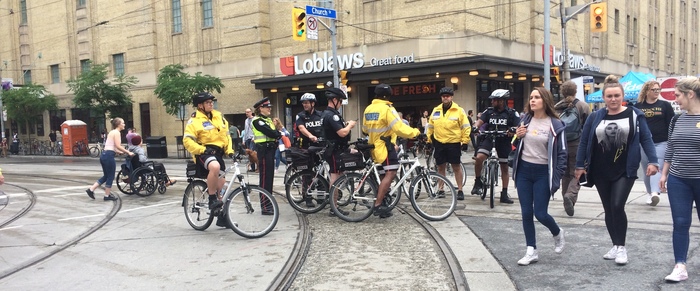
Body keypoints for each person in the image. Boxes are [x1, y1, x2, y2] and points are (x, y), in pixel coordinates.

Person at [575, 75, 658, 266]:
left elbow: (646, 138)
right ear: (604, 97)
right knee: (608, 208)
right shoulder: (595, 117)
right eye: (609, 96)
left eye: (616, 96)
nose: (613, 99)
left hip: (625, 169)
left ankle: (621, 247)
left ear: (623, 96)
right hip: (600, 169)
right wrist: (580, 165)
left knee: (617, 205)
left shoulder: (635, 115)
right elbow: (585, 142)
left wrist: (653, 161)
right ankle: (615, 244)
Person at [510, 87, 567, 266]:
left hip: (543, 172)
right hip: (524, 171)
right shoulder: (525, 119)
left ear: (545, 101)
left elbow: (562, 154)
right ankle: (531, 250)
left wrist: (556, 177)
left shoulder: (556, 124)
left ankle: (557, 233)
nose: (532, 100)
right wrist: (517, 137)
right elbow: (515, 145)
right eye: (531, 97)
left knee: (540, 213)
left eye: (537, 97)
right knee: (526, 212)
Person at [658, 76, 700, 282]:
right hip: (678, 179)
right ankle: (680, 266)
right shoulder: (676, 119)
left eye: (677, 95)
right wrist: (664, 173)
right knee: (680, 223)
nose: (675, 100)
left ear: (690, 94)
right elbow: (671, 148)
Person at [363, 84, 420, 218]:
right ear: (388, 96)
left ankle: (383, 205)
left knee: (383, 175)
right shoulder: (387, 109)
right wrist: (415, 132)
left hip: (374, 147)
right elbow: (399, 127)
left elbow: (365, 129)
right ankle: (377, 205)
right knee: (392, 173)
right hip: (385, 147)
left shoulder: (368, 109)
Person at [183, 92, 235, 227]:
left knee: (222, 187)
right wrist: (202, 150)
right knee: (215, 167)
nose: (211, 104)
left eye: (212, 102)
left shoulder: (219, 117)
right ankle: (211, 198)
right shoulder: (194, 121)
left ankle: (222, 217)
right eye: (207, 102)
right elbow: (187, 140)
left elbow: (227, 136)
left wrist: (229, 151)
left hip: (218, 153)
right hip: (204, 152)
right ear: (200, 106)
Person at [471, 89, 520, 204]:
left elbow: (518, 125)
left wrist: (513, 129)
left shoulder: (512, 113)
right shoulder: (488, 111)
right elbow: (480, 121)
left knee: (504, 167)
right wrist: (475, 127)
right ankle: (478, 182)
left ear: (502, 101)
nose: (492, 102)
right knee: (479, 158)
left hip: (504, 140)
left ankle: (504, 193)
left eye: (495, 100)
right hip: (490, 138)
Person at [426, 87, 471, 200]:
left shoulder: (459, 110)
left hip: (453, 143)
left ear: (451, 97)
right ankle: (441, 189)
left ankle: (460, 190)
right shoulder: (436, 110)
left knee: (456, 166)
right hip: (439, 142)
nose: (445, 97)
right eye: (443, 96)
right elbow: (430, 126)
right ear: (441, 97)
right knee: (440, 167)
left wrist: (465, 141)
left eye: (447, 96)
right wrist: (428, 140)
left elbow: (465, 126)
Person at [554, 80, 591, 216]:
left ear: (562, 92)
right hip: (578, 144)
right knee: (578, 171)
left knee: (565, 173)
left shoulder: (557, 106)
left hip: (561, 144)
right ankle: (570, 195)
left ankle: (566, 197)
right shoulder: (583, 106)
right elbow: (588, 127)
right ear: (575, 91)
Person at [635, 80, 674, 207]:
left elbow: (671, 123)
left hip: (661, 141)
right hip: (644, 143)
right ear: (647, 91)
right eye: (654, 90)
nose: (657, 92)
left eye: (658, 89)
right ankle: (649, 193)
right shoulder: (638, 106)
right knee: (647, 169)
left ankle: (655, 193)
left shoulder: (665, 105)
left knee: (656, 165)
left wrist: (671, 140)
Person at [322, 87, 356, 216]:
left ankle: (334, 203)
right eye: (340, 101)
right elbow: (342, 133)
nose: (341, 103)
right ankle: (334, 207)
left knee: (337, 176)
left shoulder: (329, 114)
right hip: (334, 150)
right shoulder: (331, 115)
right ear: (334, 100)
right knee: (335, 178)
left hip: (336, 149)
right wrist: (350, 125)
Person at [86, 117, 134, 201]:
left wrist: (119, 152)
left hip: (104, 155)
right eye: (123, 123)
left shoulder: (112, 132)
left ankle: (91, 189)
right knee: (110, 176)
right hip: (109, 156)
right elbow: (118, 145)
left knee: (106, 176)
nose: (124, 124)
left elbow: (112, 146)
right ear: (118, 124)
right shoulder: (117, 133)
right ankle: (107, 196)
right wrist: (128, 152)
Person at [252, 97, 280, 215]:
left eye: (270, 107)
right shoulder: (257, 120)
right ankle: (265, 206)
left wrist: (276, 134)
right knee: (264, 179)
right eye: (267, 107)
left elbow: (276, 133)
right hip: (263, 151)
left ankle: (269, 203)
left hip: (271, 150)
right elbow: (272, 133)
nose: (269, 109)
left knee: (270, 178)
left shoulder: (267, 120)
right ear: (260, 108)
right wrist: (277, 134)